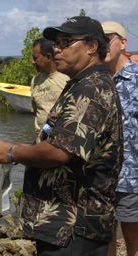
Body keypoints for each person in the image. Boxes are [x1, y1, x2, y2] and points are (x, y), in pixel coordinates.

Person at [0, 16, 123, 255]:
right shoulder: (81, 83)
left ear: (92, 47)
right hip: (63, 225)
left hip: (74, 227)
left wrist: (12, 152)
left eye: (66, 41)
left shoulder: (92, 88)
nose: (57, 49)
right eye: (57, 42)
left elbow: (60, 152)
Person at [102, 21, 138, 256]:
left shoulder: (136, 79)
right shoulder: (96, 81)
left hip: (131, 175)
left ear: (123, 42)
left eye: (107, 39)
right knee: (104, 235)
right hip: (100, 175)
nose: (101, 45)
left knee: (132, 236)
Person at [31, 38, 69, 141]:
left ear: (48, 57)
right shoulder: (35, 80)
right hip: (40, 140)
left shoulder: (67, 77)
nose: (32, 62)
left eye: (35, 58)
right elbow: (36, 111)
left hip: (60, 140)